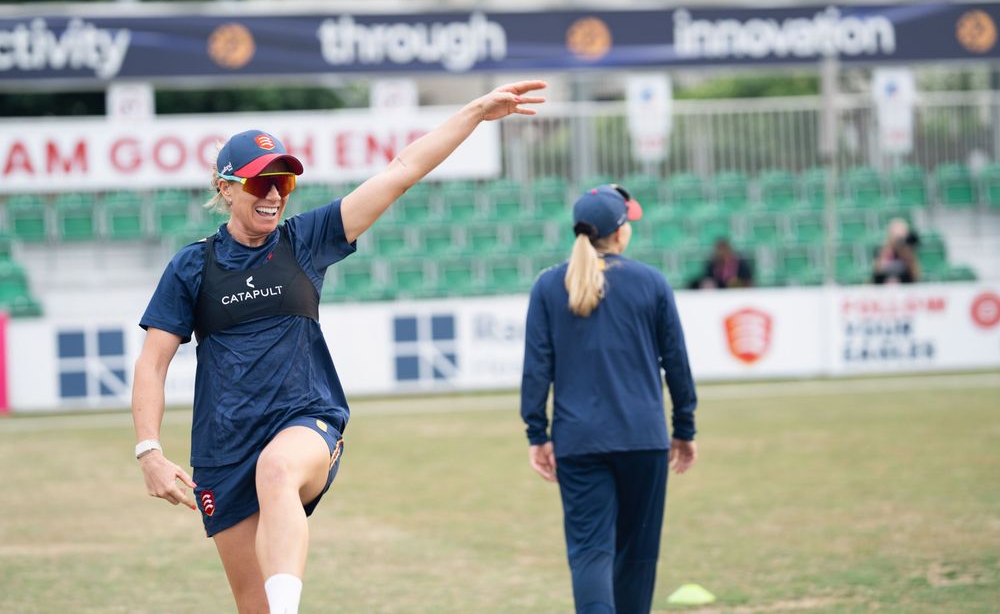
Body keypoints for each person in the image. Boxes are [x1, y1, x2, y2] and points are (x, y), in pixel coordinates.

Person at [131, 80, 546, 613]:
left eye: (283, 181)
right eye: (260, 183)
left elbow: (401, 171)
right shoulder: (193, 265)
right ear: (226, 187)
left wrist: (475, 112)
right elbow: (153, 362)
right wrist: (149, 451)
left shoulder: (306, 240)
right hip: (223, 448)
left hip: (304, 421)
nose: (275, 194)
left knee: (276, 471)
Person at [520, 184, 699, 614]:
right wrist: (685, 429)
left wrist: (537, 433)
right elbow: (676, 364)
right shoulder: (652, 282)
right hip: (644, 439)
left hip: (579, 442)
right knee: (637, 556)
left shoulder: (548, 286)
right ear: (619, 233)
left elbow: (535, 369)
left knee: (590, 553)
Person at [872, 217, 920, 284]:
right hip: (884, 287)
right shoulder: (882, 250)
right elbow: (878, 270)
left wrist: (904, 250)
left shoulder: (908, 250)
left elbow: (915, 273)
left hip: (906, 286)